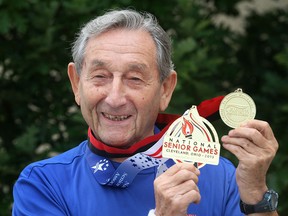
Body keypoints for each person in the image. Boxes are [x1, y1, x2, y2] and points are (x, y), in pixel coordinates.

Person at [13, 9, 279, 216]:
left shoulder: (219, 175)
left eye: (135, 79)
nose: (115, 98)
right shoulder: (43, 184)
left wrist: (256, 192)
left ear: (165, 89)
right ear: (76, 84)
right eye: (100, 76)